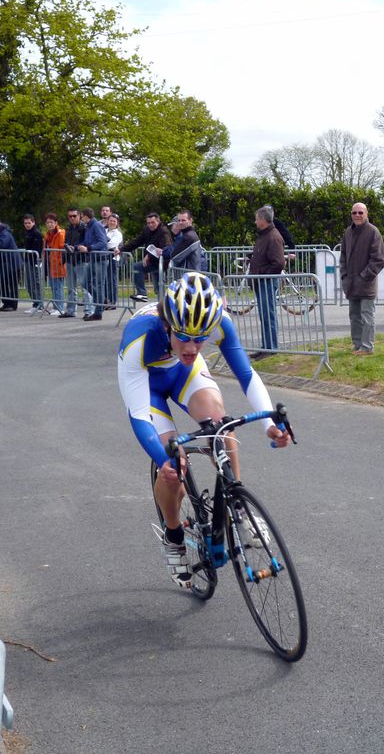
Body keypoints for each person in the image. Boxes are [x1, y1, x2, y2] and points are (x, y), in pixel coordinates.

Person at [117, 272, 291, 588]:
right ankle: (173, 537)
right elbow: (140, 415)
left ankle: (238, 508)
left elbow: (247, 375)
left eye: (201, 338)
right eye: (184, 336)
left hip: (184, 377)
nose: (193, 346)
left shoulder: (219, 323)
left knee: (221, 427)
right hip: (149, 387)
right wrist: (164, 457)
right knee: (175, 466)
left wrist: (270, 424)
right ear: (168, 325)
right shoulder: (139, 339)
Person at [339, 202, 384, 356]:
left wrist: (363, 277)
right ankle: (357, 345)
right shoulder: (348, 232)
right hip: (351, 284)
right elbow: (343, 256)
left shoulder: (373, 232)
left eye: (360, 212)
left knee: (366, 316)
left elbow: (379, 260)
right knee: (354, 316)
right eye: (354, 213)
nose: (357, 215)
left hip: (366, 284)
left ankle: (367, 347)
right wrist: (345, 276)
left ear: (366, 214)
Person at [250, 206, 285, 357]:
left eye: (257, 218)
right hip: (262, 281)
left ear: (263, 220)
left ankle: (271, 348)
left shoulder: (273, 237)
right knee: (264, 315)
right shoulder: (265, 235)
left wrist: (264, 275)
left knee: (268, 314)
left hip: (267, 281)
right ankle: (266, 347)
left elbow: (278, 263)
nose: (255, 221)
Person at [119, 212, 172, 302]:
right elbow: (137, 241)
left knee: (158, 286)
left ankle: (148, 297)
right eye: (148, 223)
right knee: (138, 268)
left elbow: (164, 249)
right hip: (152, 262)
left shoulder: (164, 232)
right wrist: (122, 249)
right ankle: (147, 296)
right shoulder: (147, 230)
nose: (150, 225)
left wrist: (149, 255)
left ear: (158, 221)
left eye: (153, 222)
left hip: (161, 263)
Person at [80, 207, 108, 321]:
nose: (81, 218)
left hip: (100, 259)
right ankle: (101, 301)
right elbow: (87, 241)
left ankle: (98, 312)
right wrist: (78, 246)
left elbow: (102, 242)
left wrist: (88, 248)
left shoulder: (96, 225)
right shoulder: (89, 226)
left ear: (86, 216)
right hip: (93, 258)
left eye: (82, 216)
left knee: (99, 284)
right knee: (85, 282)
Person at [60, 207, 86, 318]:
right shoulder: (68, 228)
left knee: (85, 287)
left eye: (74, 216)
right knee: (71, 288)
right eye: (70, 216)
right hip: (70, 260)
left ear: (79, 216)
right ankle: (70, 310)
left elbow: (86, 242)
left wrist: (76, 247)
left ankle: (89, 311)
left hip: (81, 260)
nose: (72, 218)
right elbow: (66, 242)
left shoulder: (84, 228)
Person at [19, 213, 44, 315]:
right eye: (25, 223)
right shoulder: (27, 233)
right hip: (28, 261)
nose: (27, 225)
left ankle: (39, 305)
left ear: (33, 222)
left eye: (29, 223)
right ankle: (35, 303)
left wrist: (38, 262)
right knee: (29, 284)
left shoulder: (37, 233)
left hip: (35, 262)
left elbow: (39, 248)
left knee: (35, 284)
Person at [43, 213, 66, 316]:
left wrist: (60, 262)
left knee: (58, 287)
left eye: (51, 222)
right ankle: (55, 306)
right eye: (47, 222)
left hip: (58, 264)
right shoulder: (47, 234)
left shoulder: (60, 234)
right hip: (50, 263)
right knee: (53, 286)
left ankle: (60, 307)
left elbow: (61, 249)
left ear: (56, 223)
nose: (49, 224)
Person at [104, 212, 123, 309]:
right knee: (105, 280)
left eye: (114, 221)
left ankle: (113, 301)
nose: (112, 222)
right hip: (103, 258)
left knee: (112, 280)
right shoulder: (104, 230)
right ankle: (106, 300)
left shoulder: (117, 233)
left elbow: (111, 244)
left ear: (117, 223)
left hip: (113, 258)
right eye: (110, 220)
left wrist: (102, 243)